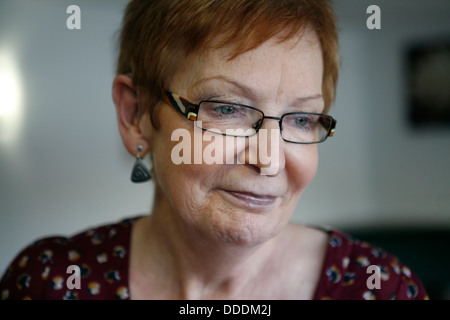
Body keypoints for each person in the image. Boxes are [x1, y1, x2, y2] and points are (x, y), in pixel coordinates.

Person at [0, 0, 428, 300]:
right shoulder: (49, 283)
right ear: (135, 115)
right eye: (227, 108)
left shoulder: (380, 289)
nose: (270, 158)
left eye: (301, 119)